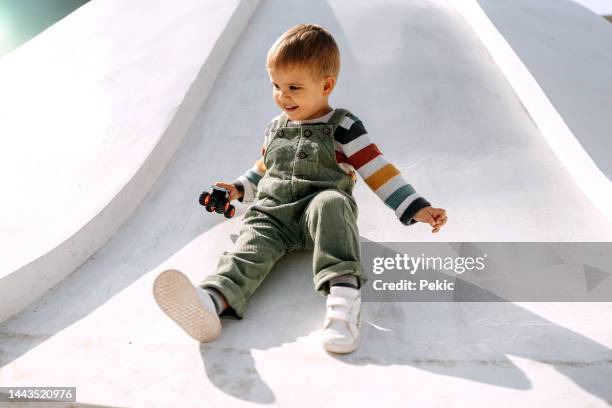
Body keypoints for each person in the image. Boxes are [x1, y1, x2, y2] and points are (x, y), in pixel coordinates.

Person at [153, 23, 447, 354]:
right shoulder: (275, 128)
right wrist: (237, 189)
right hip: (275, 214)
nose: (283, 95)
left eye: (294, 86)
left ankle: (343, 298)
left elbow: (377, 169)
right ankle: (212, 300)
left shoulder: (343, 126)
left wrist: (415, 206)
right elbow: (263, 171)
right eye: (276, 85)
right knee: (250, 246)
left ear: (326, 85)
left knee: (332, 202)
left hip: (320, 217)